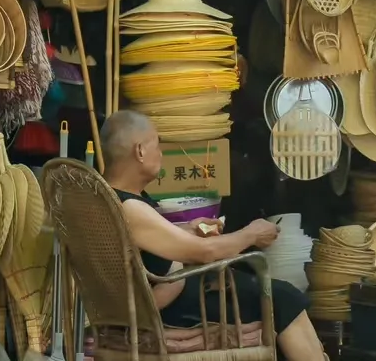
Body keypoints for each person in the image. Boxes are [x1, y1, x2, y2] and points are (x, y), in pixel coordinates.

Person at [100, 111, 327, 361]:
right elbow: (205, 252)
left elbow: (146, 241)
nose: (161, 153)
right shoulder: (130, 208)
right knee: (283, 297)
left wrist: (189, 229)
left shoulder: (107, 199)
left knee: (274, 296)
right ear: (140, 151)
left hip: (157, 299)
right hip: (171, 306)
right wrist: (251, 234)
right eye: (157, 144)